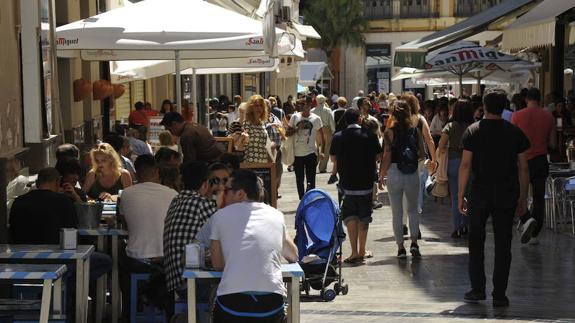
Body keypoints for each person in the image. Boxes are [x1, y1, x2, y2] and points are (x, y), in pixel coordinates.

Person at [459, 88, 530, 307]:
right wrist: (523, 197)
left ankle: (478, 289)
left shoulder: (473, 131)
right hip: (506, 193)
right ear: (504, 107)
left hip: (480, 192)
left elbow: (465, 164)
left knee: (476, 241)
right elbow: (523, 168)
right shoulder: (514, 132)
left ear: (484, 107)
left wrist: (461, 195)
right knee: (503, 244)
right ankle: (499, 293)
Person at [210, 169, 298, 322]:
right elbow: (293, 255)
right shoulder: (276, 215)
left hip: (233, 306)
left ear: (240, 194)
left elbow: (217, 265)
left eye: (227, 190)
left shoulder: (219, 217)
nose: (223, 193)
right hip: (271, 306)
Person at [119, 155, 178, 319]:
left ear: (136, 174)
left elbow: (125, 224)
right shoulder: (172, 193)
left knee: (119, 254)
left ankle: (129, 310)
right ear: (157, 172)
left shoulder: (126, 194)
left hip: (137, 261)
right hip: (167, 260)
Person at [331, 109, 382, 263]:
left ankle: (353, 251)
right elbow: (378, 156)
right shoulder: (370, 136)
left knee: (350, 216)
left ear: (346, 121)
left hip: (347, 184)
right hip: (365, 184)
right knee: (364, 217)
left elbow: (333, 158)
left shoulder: (338, 137)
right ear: (359, 119)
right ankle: (362, 250)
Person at [163, 161, 217, 294]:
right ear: (205, 185)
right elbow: (223, 235)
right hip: (190, 282)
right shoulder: (202, 204)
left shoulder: (176, 201)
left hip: (173, 279)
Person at [511, 87, 556, 245]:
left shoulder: (516, 116)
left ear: (526, 99)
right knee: (538, 197)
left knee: (519, 193)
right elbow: (553, 143)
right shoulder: (549, 116)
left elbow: (512, 142)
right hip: (540, 160)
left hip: (522, 160)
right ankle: (535, 233)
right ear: (540, 99)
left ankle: (526, 219)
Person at [379, 100, 422, 258]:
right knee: (413, 210)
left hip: (395, 172)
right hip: (411, 172)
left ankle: (400, 247)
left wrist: (381, 175)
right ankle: (415, 243)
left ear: (393, 114)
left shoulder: (389, 132)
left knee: (397, 212)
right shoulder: (415, 131)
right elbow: (421, 153)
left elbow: (387, 155)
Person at [9, 168, 77, 244]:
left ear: (37, 183)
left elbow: (12, 231)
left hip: (20, 254)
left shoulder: (19, 202)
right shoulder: (64, 202)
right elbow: (72, 231)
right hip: (56, 254)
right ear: (58, 182)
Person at [438, 99, 474, 238]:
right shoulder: (473, 126)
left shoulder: (450, 126)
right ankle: (466, 225)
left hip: (453, 162)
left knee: (455, 196)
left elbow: (441, 145)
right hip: (470, 163)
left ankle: (457, 227)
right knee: (468, 195)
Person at [287, 95, 326, 199]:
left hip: (311, 153)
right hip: (297, 153)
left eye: (304, 104)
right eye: (300, 104)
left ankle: (311, 199)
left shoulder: (316, 119)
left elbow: (322, 137)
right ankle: (302, 199)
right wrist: (296, 129)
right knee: (299, 179)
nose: (301, 106)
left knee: (311, 179)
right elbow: (287, 133)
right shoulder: (295, 117)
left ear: (309, 105)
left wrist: (322, 151)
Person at [242, 95, 272, 164]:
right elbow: (243, 144)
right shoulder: (247, 123)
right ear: (251, 108)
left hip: (264, 163)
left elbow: (265, 144)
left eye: (261, 105)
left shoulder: (262, 123)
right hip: (251, 163)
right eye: (256, 106)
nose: (259, 108)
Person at [312, 94, 336, 173]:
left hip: (316, 130)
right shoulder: (328, 110)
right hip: (326, 130)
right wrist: (333, 131)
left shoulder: (312, 110)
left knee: (316, 148)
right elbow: (332, 122)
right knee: (326, 149)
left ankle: (312, 165)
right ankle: (322, 167)